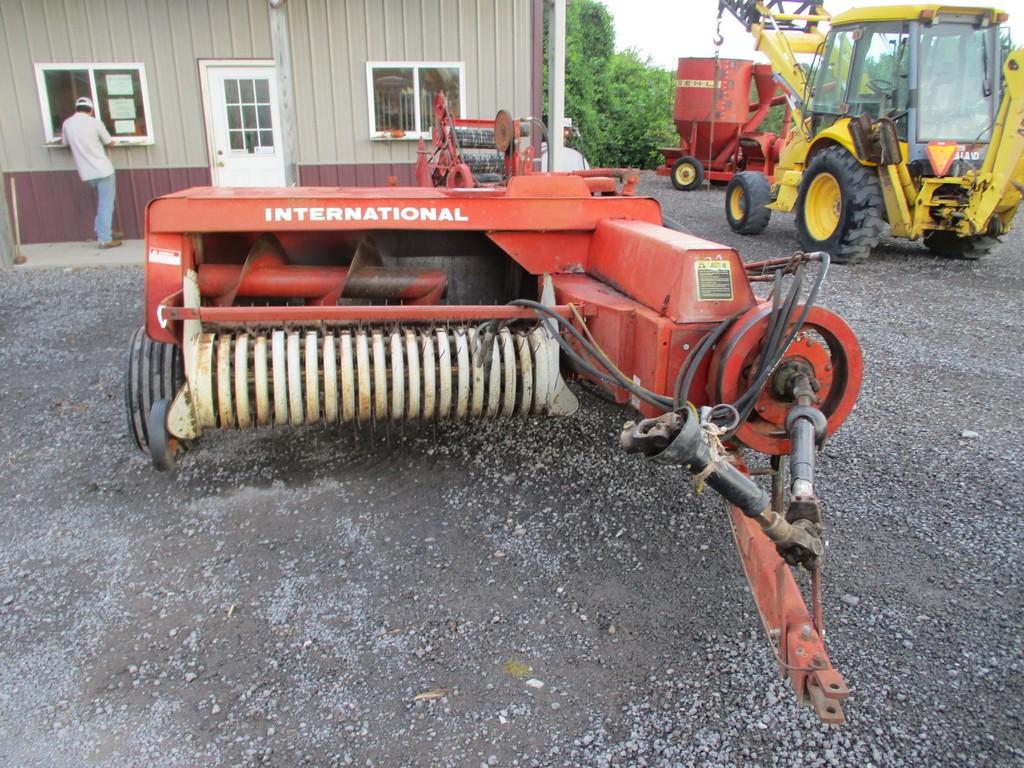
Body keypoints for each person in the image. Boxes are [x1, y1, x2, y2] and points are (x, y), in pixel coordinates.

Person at [62, 96, 121, 248]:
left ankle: (103, 229)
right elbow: (109, 142)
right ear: (91, 110)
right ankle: (105, 239)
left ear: (76, 109)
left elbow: (65, 143)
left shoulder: (67, 124)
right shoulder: (94, 122)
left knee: (103, 203)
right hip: (103, 170)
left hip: (86, 173)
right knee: (106, 204)